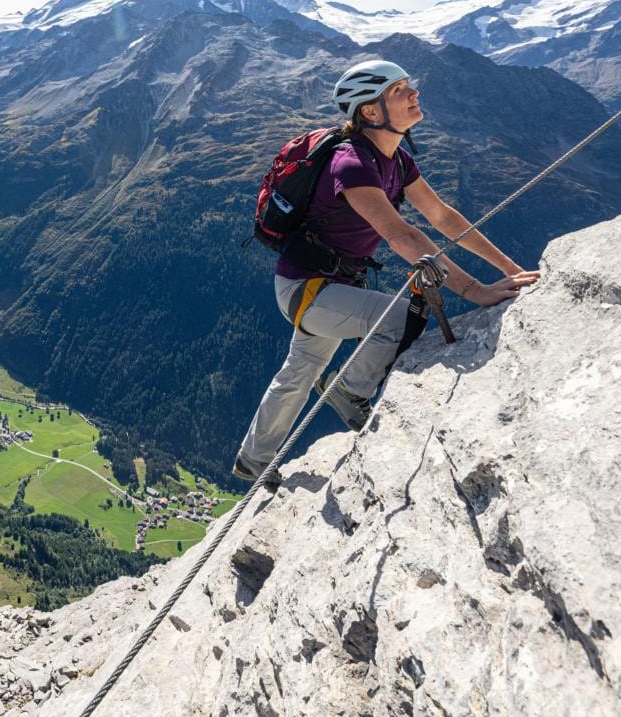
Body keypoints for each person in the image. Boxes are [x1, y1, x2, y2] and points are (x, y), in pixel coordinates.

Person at [232, 58, 541, 487]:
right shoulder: (352, 163)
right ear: (371, 111)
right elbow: (402, 236)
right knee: (401, 318)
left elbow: (444, 217)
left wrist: (511, 271)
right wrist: (477, 291)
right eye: (399, 90)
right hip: (309, 291)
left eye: (408, 86)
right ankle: (351, 390)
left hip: (327, 288)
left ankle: (253, 459)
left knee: (299, 371)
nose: (414, 93)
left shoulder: (397, 162)